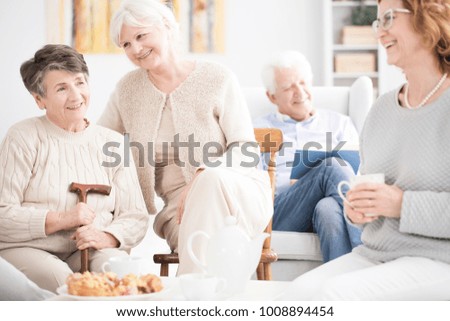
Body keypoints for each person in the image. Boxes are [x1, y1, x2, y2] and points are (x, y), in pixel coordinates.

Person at [280, 0, 450, 300]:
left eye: (388, 18)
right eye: (377, 23)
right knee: (294, 297)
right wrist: (359, 210)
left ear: (430, 17)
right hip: (376, 253)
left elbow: (397, 202)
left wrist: (401, 204)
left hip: (439, 259)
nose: (380, 33)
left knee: (333, 297)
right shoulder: (382, 109)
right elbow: (373, 193)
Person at [98, 0, 272, 274]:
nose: (135, 49)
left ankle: (189, 296)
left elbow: (246, 148)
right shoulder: (128, 89)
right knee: (210, 244)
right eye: (126, 44)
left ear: (166, 27)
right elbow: (99, 143)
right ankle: (203, 298)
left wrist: (205, 173)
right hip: (179, 209)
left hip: (237, 190)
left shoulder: (217, 77)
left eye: (141, 36)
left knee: (210, 182)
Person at [0, 44, 149, 293]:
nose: (76, 95)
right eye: (61, 88)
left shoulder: (112, 143)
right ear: (39, 100)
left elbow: (135, 216)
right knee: (66, 283)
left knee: (120, 276)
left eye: (80, 82)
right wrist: (61, 219)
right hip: (30, 248)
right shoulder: (23, 137)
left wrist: (107, 236)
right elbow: (2, 214)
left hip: (91, 248)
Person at [253, 51, 362, 262]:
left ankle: (342, 287)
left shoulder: (341, 124)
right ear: (272, 96)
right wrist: (299, 186)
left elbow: (359, 174)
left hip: (332, 205)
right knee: (331, 166)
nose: (299, 92)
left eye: (303, 83)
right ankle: (367, 249)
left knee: (328, 210)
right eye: (288, 87)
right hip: (282, 212)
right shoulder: (258, 128)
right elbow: (251, 186)